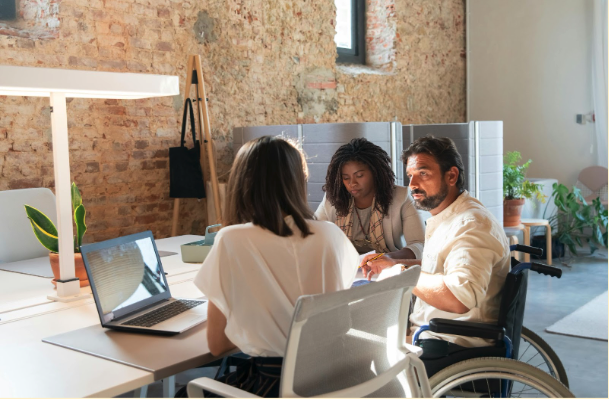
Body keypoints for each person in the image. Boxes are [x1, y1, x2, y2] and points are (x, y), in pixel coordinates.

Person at [191, 136, 359, 397]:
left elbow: (217, 344)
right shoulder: (330, 235)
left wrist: (259, 326)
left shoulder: (232, 240)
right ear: (298, 181)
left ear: (241, 182)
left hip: (275, 386)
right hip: (335, 380)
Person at [361, 136, 510, 347]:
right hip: (433, 333)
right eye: (410, 176)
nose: (412, 185)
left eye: (423, 173)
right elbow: (441, 268)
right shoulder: (450, 217)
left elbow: (459, 297)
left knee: (359, 350)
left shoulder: (471, 224)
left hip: (450, 343)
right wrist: (393, 263)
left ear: (451, 176)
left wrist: (399, 273)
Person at [315, 138, 426, 261]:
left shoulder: (401, 197)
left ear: (375, 172)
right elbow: (314, 237)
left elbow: (420, 244)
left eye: (359, 176)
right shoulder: (333, 199)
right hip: (345, 268)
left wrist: (386, 258)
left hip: (386, 269)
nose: (352, 183)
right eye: (346, 178)